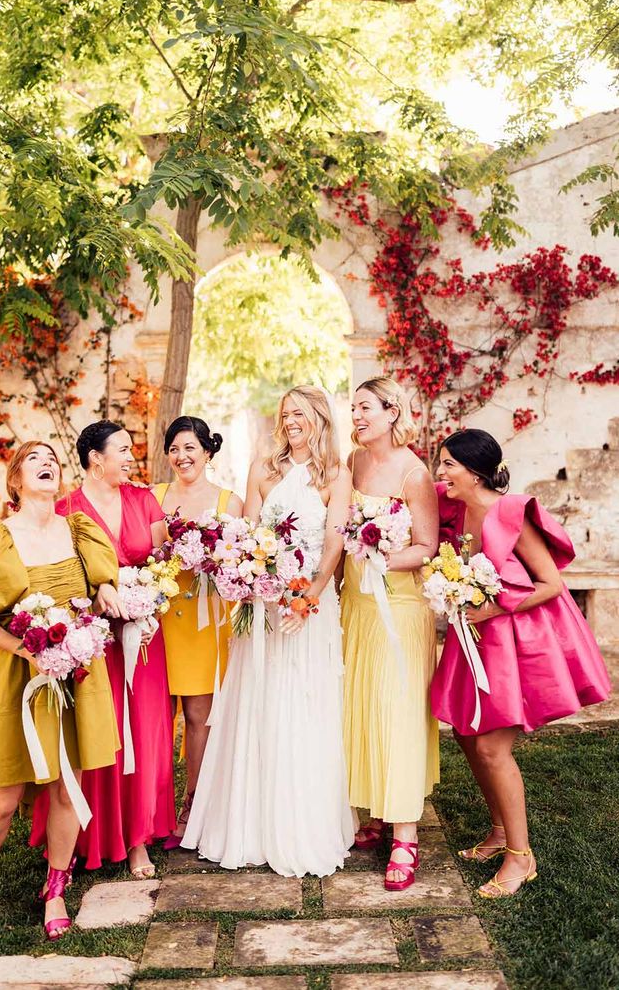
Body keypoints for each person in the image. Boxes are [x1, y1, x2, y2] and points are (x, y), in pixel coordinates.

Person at [0, 442, 121, 939]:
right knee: (6, 794)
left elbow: (101, 586)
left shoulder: (78, 531)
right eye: (35, 459)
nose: (47, 465)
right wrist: (28, 649)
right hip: (18, 676)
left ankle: (56, 887)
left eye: (53, 461)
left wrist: (105, 593)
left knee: (64, 785)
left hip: (75, 674)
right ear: (15, 479)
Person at [182, 386, 355, 876]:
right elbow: (249, 535)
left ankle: (304, 823)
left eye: (300, 414)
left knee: (303, 703)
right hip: (261, 606)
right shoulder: (263, 468)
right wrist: (251, 580)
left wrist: (309, 598)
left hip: (309, 607)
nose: (292, 422)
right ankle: (248, 823)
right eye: (286, 415)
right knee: (258, 702)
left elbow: (333, 543)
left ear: (319, 418)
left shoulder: (335, 475)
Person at [432, 428, 611, 897]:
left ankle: (521, 856)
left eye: (449, 464)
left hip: (516, 638)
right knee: (468, 737)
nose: (441, 472)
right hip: (474, 638)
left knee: (492, 747)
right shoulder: (457, 505)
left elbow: (551, 583)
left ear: (474, 470)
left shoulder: (511, 513)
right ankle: (498, 831)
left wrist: (493, 608)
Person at [30, 421, 176, 877]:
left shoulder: (144, 500)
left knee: (146, 731)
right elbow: (60, 574)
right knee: (96, 734)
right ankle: (82, 836)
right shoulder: (67, 508)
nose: (132, 457)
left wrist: (147, 599)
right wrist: (96, 597)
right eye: (123, 450)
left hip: (144, 637)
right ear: (96, 458)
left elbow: (162, 561)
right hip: (93, 641)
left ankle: (138, 840)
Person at [340, 376, 440, 890]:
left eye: (365, 408)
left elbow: (427, 545)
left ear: (392, 412)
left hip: (400, 608)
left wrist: (381, 560)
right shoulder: (353, 464)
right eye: (352, 408)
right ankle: (377, 810)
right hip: (355, 608)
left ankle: (405, 835)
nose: (356, 416)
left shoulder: (414, 472)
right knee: (361, 707)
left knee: (397, 711)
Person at [152, 416, 242, 847]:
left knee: (198, 717)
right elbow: (145, 554)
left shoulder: (230, 501)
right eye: (174, 449)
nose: (181, 456)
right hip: (162, 617)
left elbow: (238, 564)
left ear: (208, 451)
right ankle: (154, 808)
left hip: (208, 620)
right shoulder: (153, 498)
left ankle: (194, 804)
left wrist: (209, 557)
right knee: (155, 718)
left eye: (190, 447)